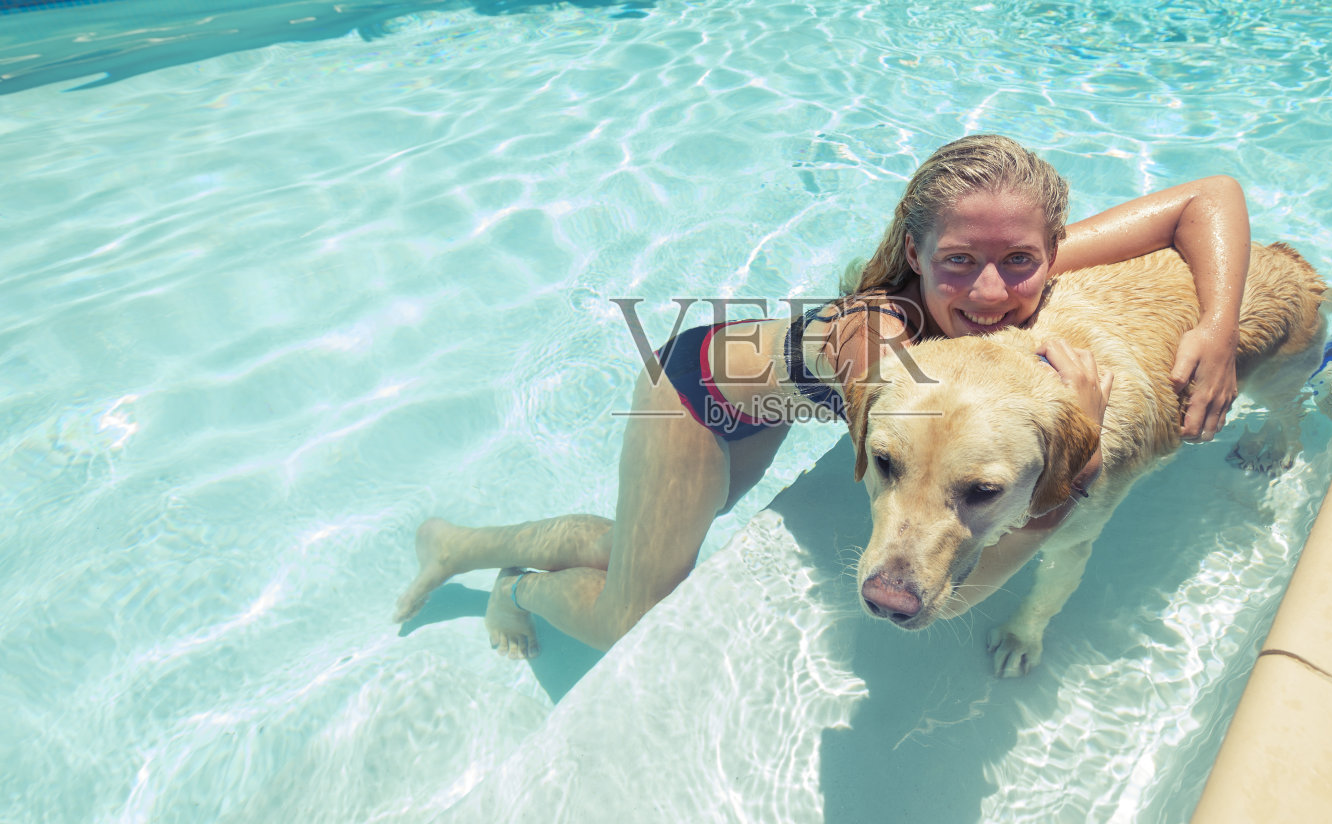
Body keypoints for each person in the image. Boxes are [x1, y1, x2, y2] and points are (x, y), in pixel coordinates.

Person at [392, 135, 1249, 658]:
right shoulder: (880, 338)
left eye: (1021, 261)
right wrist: (1084, 435)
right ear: (914, 252)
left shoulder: (1004, 271)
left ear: (1053, 249)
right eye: (957, 261)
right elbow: (1009, 488)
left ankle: (467, 544)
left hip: (762, 402)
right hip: (694, 399)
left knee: (642, 543)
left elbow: (1210, 197)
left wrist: (1214, 329)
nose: (992, 293)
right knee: (634, 614)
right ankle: (506, 582)